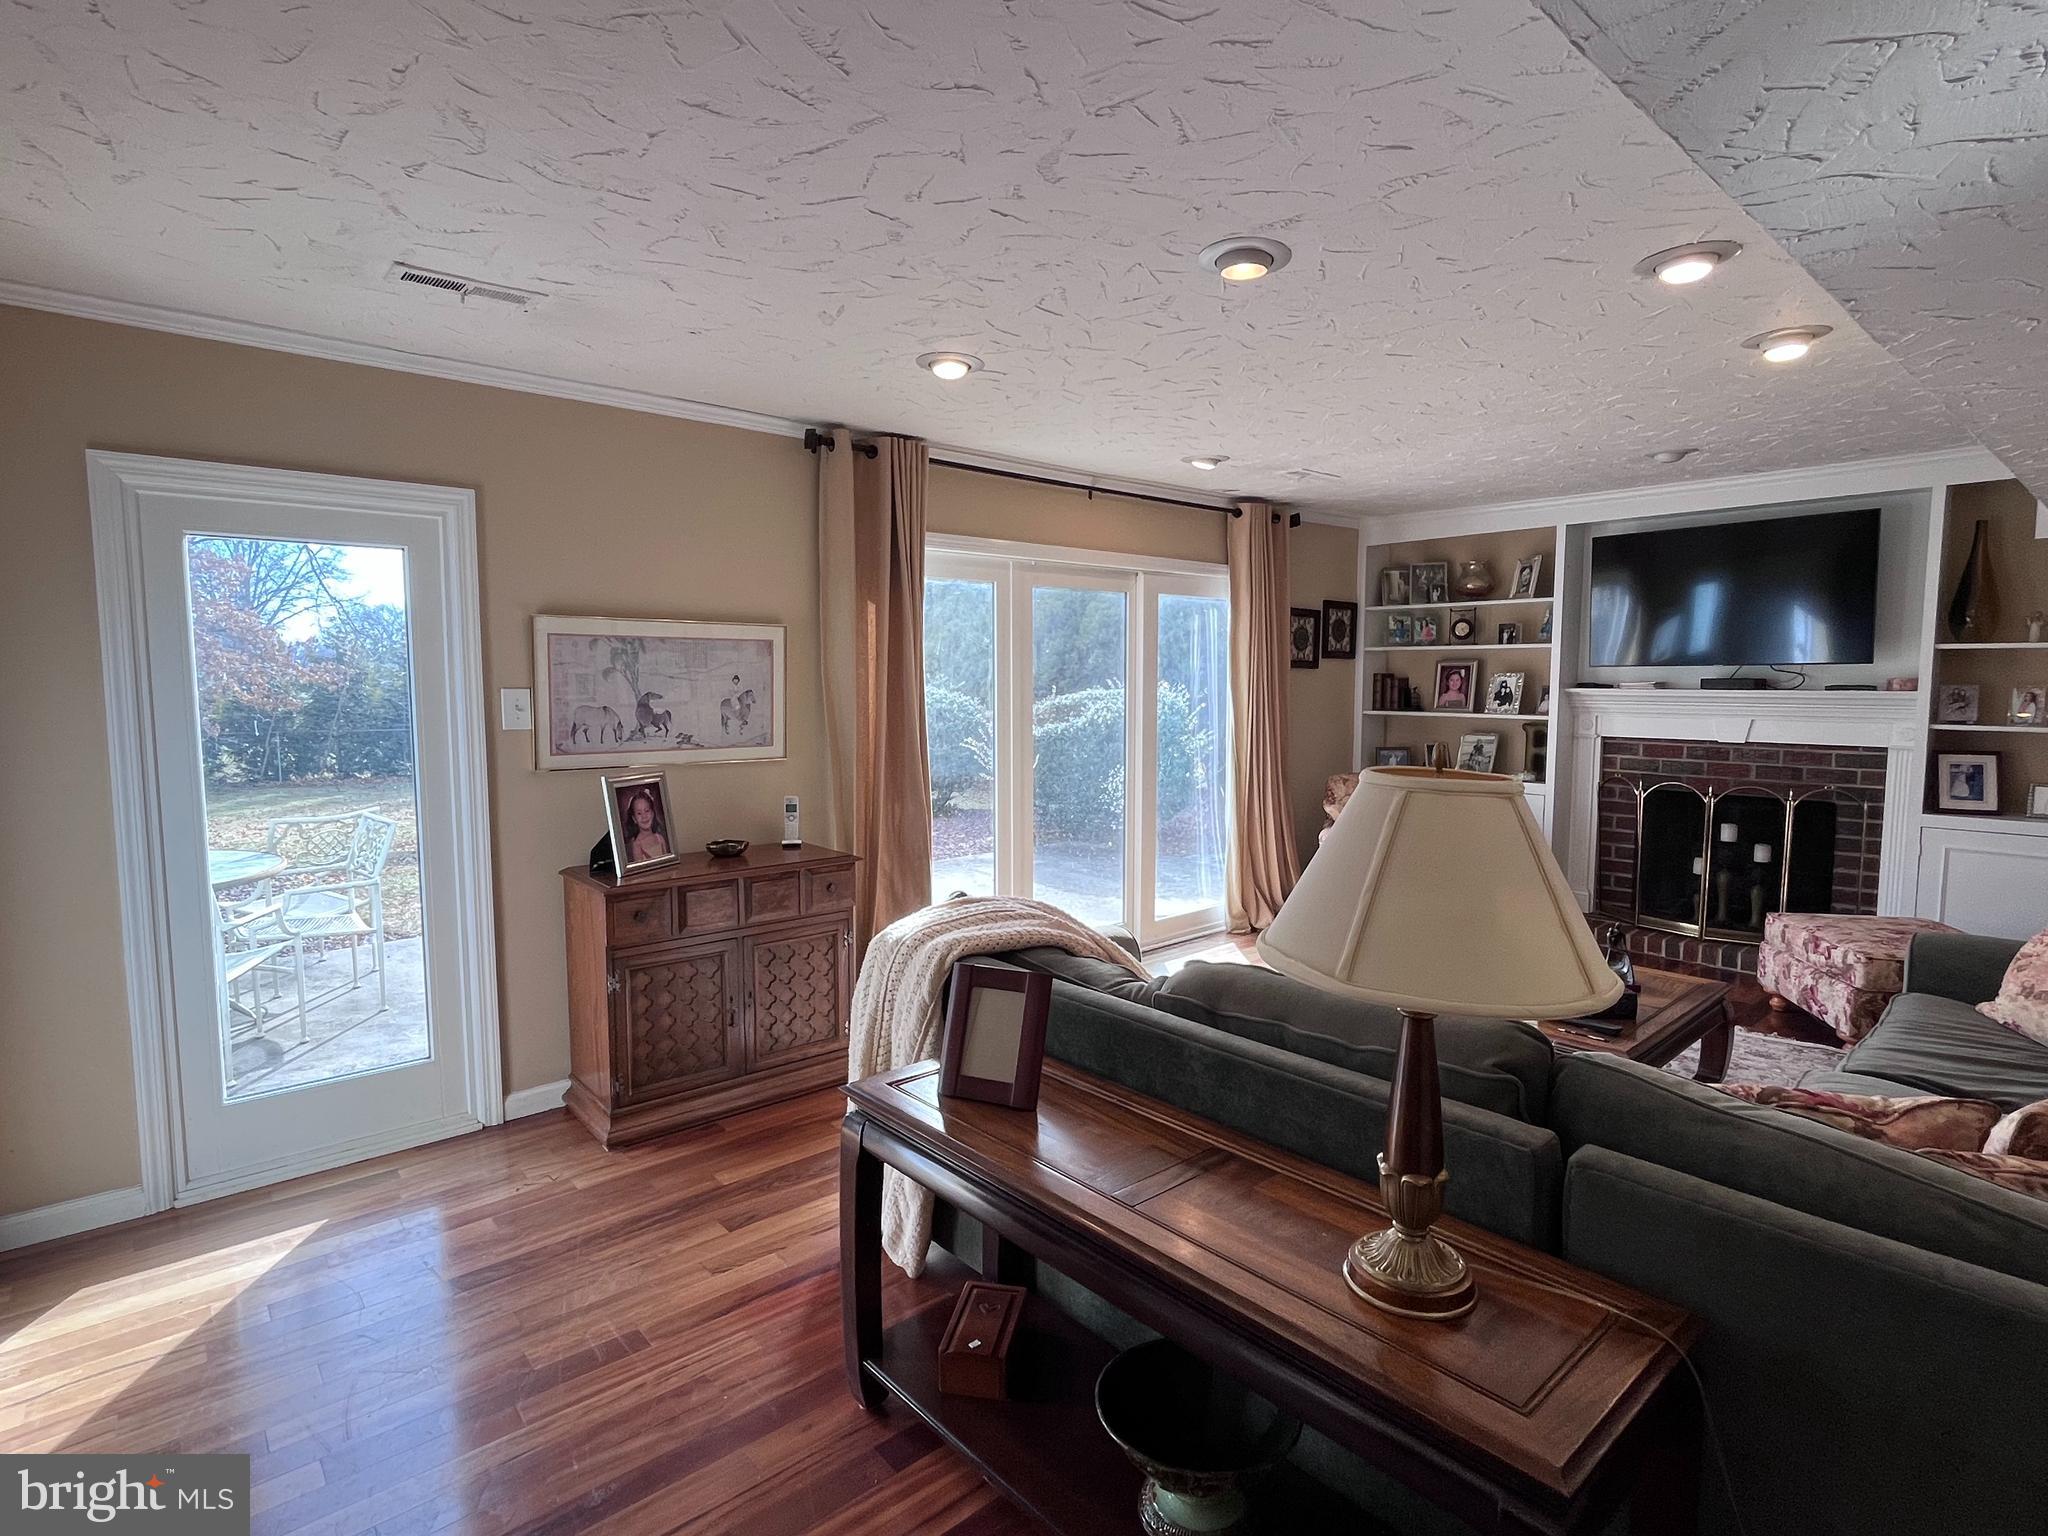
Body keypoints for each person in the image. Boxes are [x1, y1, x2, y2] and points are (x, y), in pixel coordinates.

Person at [621, 788, 670, 863]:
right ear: (634, 818)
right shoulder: (637, 845)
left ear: (653, 813)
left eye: (647, 811)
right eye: (639, 813)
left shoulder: (660, 838)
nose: (644, 816)